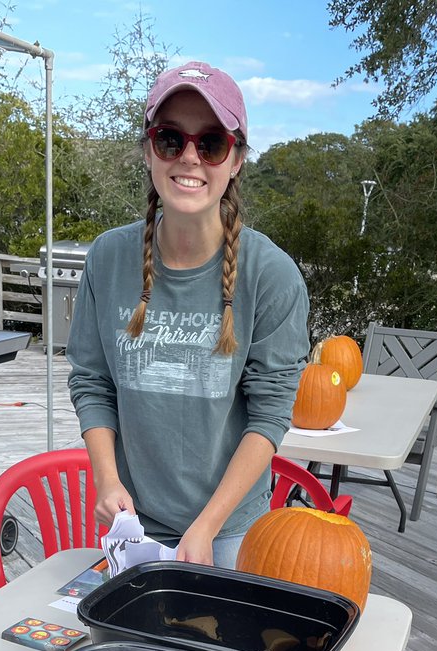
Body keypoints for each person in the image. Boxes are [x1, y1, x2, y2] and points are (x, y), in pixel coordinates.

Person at [66, 60, 309, 569]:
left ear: (236, 159)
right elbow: (92, 382)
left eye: (213, 142)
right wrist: (108, 481)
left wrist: (206, 528)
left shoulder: (272, 274)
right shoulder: (107, 258)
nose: (191, 158)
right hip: (132, 528)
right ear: (149, 150)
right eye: (171, 140)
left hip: (227, 530)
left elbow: (268, 417)